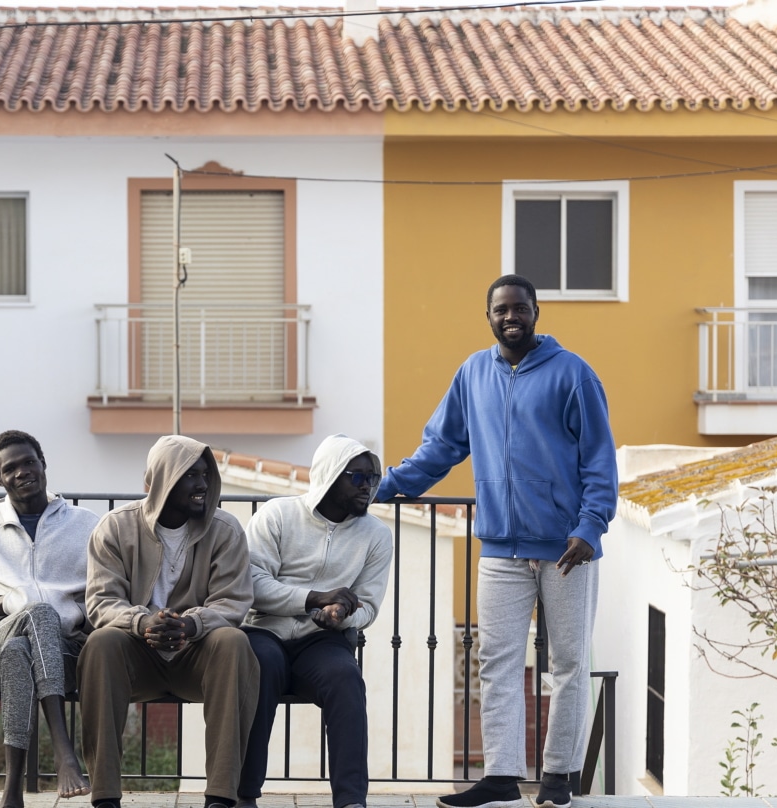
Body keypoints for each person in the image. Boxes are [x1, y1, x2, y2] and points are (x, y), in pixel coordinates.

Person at [375, 274, 618, 808]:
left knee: (570, 664)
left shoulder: (573, 375)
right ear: (488, 316)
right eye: (501, 310)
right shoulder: (472, 374)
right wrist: (384, 486)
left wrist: (589, 528)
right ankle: (502, 776)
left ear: (537, 312)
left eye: (520, 308)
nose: (512, 317)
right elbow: (441, 447)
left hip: (565, 552)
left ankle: (558, 779)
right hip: (501, 552)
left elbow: (600, 462)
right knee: (497, 662)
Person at [79, 434, 259, 808]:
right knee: (100, 643)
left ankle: (221, 798)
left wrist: (191, 625)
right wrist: (142, 622)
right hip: (137, 654)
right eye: (190, 475)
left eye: (205, 475)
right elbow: (101, 602)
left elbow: (233, 600)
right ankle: (106, 797)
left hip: (197, 655)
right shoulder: (114, 528)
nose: (202, 484)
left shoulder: (225, 530)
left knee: (234, 642)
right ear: (162, 479)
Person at [238, 434, 393, 808]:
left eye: (373, 479)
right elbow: (252, 585)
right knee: (261, 666)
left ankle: (351, 800)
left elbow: (369, 605)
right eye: (357, 477)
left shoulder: (376, 536)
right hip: (264, 628)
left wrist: (341, 615)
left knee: (346, 678)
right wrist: (314, 598)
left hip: (323, 640)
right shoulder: (277, 515)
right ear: (331, 474)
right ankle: (243, 795)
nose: (367, 487)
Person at [0, 430, 97, 805]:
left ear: (43, 464)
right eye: (10, 468)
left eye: (29, 462)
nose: (22, 472)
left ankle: (12, 789)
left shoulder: (85, 524)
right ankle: (65, 754)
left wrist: (80, 614)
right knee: (25, 628)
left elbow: (104, 594)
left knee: (23, 649)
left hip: (66, 650)